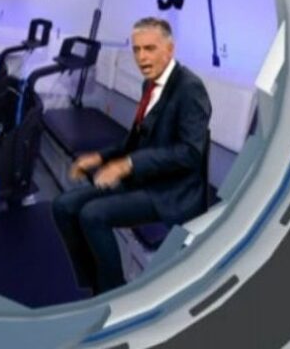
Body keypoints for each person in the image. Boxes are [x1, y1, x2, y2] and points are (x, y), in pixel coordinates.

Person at [51, 17, 211, 295]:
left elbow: (190, 153)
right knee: (63, 206)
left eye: (149, 48)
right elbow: (134, 140)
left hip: (171, 191)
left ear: (169, 49)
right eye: (136, 49)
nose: (141, 57)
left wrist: (128, 164)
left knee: (92, 214)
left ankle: (113, 293)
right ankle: (91, 284)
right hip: (143, 178)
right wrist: (99, 158)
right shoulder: (150, 85)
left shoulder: (190, 89)